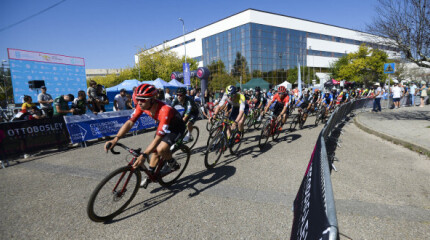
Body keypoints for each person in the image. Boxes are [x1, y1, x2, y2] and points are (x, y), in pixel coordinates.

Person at [105, 84, 185, 188]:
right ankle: (151, 174)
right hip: (164, 125)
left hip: (176, 128)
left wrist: (144, 155)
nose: (139, 102)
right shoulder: (141, 105)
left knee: (160, 149)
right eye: (137, 99)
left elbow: (158, 138)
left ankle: (172, 163)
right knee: (154, 151)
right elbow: (130, 122)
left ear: (152, 99)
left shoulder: (165, 110)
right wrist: (116, 139)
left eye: (143, 100)